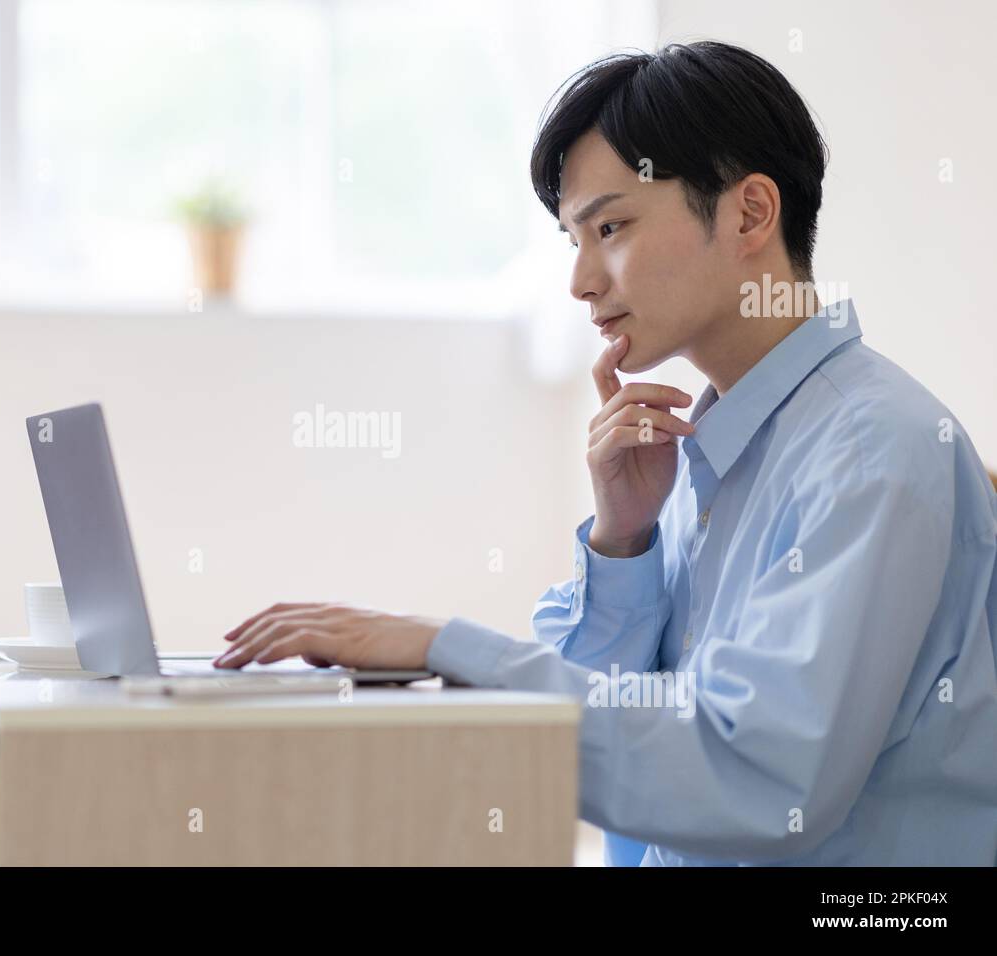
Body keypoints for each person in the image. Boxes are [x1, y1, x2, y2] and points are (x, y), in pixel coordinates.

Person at [214, 41, 997, 866]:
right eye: (572, 241)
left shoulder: (872, 449)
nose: (582, 280)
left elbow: (760, 774)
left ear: (750, 214)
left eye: (612, 227)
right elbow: (627, 772)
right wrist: (622, 543)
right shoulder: (701, 449)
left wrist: (448, 644)